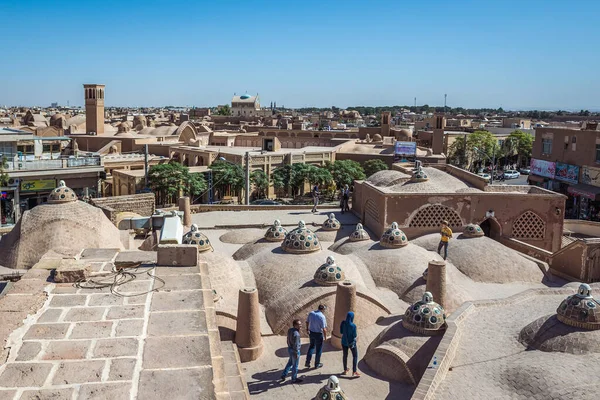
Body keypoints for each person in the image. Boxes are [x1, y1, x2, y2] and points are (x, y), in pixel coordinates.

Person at [280, 319, 303, 383]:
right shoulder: (297, 334)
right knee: (295, 365)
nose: (300, 325)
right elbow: (296, 345)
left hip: (290, 349)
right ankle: (294, 379)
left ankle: (284, 375)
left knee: (290, 362)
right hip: (295, 351)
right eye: (299, 324)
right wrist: (296, 353)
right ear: (295, 325)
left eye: (300, 324)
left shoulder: (290, 330)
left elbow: (287, 339)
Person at [305, 304, 327, 369]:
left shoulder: (311, 313)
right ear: (323, 309)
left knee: (311, 347)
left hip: (311, 333)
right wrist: (325, 338)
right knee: (318, 350)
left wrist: (307, 329)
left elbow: (307, 322)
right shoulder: (322, 317)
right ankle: (317, 364)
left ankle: (307, 362)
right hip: (318, 334)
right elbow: (324, 329)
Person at [340, 311, 360, 377]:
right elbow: (354, 335)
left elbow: (341, 332)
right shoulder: (353, 326)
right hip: (351, 343)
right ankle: (354, 371)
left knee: (345, 356)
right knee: (355, 356)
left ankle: (345, 370)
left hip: (344, 342)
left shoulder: (343, 323)